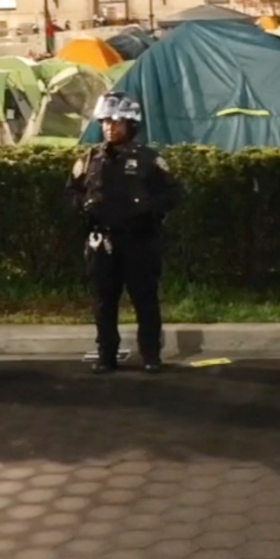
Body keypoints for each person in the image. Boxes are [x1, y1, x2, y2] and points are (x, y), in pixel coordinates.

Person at [67, 92, 182, 374]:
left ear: (131, 125)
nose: (110, 127)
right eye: (106, 121)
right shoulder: (91, 158)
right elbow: (72, 191)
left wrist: (148, 210)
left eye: (117, 122)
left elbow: (175, 192)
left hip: (139, 241)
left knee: (145, 300)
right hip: (102, 243)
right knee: (103, 302)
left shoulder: (148, 160)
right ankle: (106, 355)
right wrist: (83, 208)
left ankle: (151, 355)